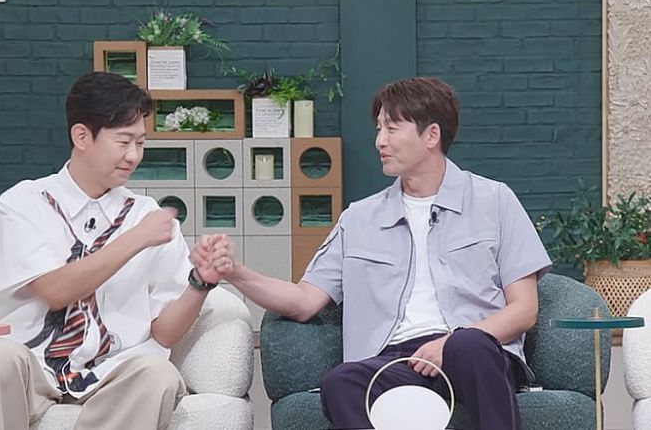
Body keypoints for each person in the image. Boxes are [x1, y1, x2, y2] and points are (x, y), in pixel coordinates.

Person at [191, 77, 552, 430]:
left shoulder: (494, 200)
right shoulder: (359, 218)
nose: (380, 141)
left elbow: (524, 310)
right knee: (340, 383)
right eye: (379, 129)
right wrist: (235, 272)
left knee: (470, 345)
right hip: (396, 361)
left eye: (392, 129)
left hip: (475, 352)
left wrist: (450, 343)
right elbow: (304, 300)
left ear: (431, 135)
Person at [0, 71, 227, 430]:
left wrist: (200, 282)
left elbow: (164, 333)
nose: (134, 156)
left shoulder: (147, 215)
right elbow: (56, 291)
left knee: (159, 375)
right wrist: (135, 238)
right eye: (123, 141)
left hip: (112, 369)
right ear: (82, 136)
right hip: (30, 363)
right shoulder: (24, 204)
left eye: (141, 143)